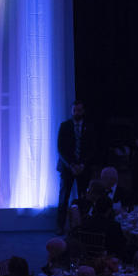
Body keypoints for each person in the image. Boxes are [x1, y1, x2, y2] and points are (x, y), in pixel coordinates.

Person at [57, 100, 97, 233]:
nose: (76, 113)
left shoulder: (90, 127)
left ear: (83, 111)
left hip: (84, 168)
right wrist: (71, 165)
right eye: (74, 110)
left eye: (79, 110)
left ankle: (83, 226)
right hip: (68, 167)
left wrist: (83, 164)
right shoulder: (65, 126)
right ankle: (60, 226)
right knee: (64, 197)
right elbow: (60, 148)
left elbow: (92, 148)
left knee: (83, 198)